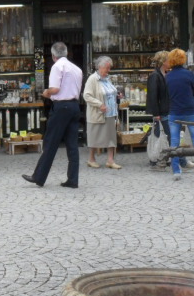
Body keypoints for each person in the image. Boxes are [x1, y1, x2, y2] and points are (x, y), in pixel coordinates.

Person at [22, 42, 83, 188]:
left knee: (51, 142)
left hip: (61, 106)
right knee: (72, 144)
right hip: (74, 105)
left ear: (53, 55)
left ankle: (39, 176)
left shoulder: (57, 66)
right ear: (67, 53)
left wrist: (46, 93)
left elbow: (55, 89)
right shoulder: (77, 69)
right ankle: (73, 179)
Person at [165, 48, 194, 182]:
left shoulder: (168, 76)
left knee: (174, 142)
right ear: (183, 59)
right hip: (190, 110)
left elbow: (167, 95)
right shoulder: (188, 74)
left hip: (174, 111)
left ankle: (176, 171)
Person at [82, 56, 122, 169]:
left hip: (110, 113)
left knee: (111, 137)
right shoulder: (92, 79)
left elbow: (109, 92)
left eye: (109, 68)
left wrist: (117, 95)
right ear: (100, 67)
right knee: (95, 136)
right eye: (107, 68)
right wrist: (99, 104)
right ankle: (91, 159)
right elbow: (86, 96)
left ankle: (110, 160)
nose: (109, 70)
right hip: (98, 114)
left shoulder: (107, 79)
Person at [146, 50, 171, 171]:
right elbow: (153, 95)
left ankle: (160, 158)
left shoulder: (163, 74)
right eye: (168, 59)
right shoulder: (155, 76)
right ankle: (155, 158)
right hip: (160, 112)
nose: (170, 61)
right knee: (159, 135)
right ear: (163, 61)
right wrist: (156, 114)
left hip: (164, 110)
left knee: (163, 135)